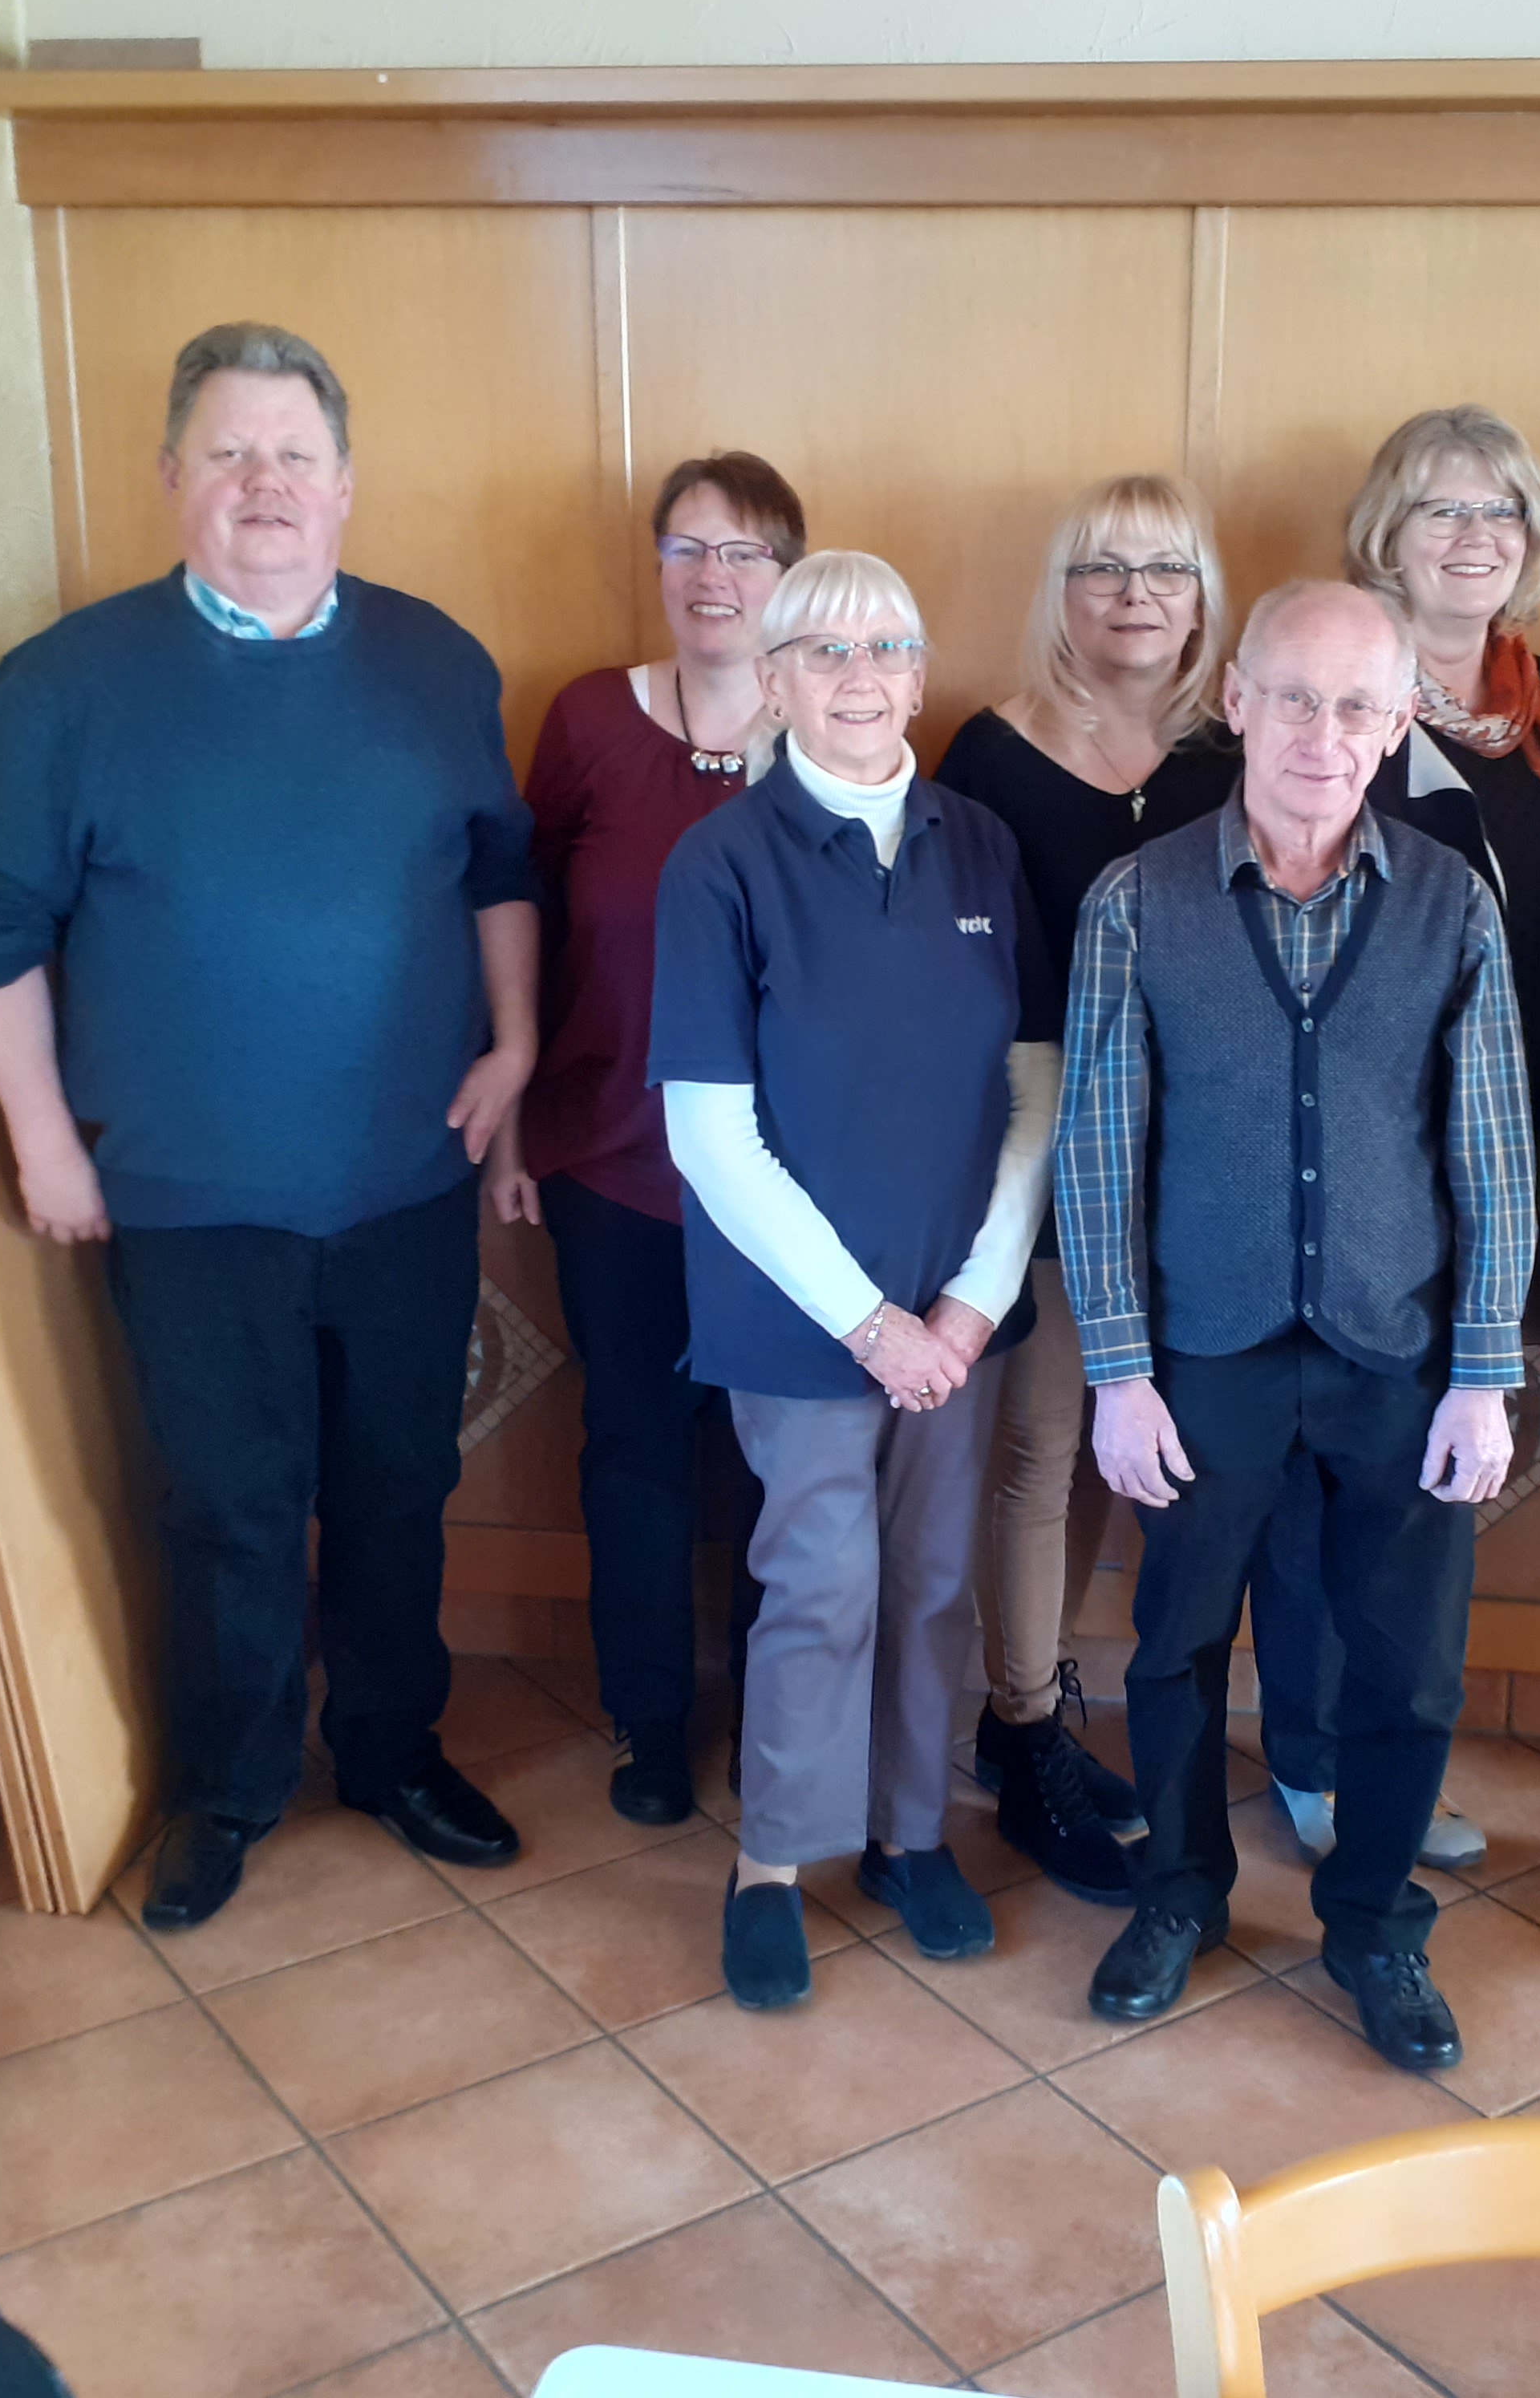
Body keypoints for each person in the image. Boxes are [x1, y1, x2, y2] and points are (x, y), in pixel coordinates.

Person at [0, 322, 541, 1932]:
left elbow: (499, 869)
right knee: (227, 1503)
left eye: (293, 455)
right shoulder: (67, 686)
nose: (263, 484)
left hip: (405, 1178)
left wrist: (520, 1046)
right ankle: (228, 1786)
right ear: (172, 479)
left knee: (403, 1478)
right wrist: (43, 1142)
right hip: (188, 1200)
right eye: (229, 453)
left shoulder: (438, 662)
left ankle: (394, 1749)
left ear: (346, 485)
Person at [1059, 579, 1529, 2075]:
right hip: (1207, 1353)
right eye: (1296, 697)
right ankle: (1182, 1894)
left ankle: (1377, 1925)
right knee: (1177, 1646)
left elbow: (1494, 1152)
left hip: (1401, 1358)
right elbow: (1095, 1145)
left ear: (1399, 729)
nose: (1323, 735)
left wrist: (1485, 1371)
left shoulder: (1454, 903)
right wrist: (1119, 1370)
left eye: (1358, 707)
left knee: (1409, 1668)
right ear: (1238, 702)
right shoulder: (1136, 900)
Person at [650, 550, 1062, 2011]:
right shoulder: (722, 864)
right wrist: (871, 1322)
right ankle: (774, 1862)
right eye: (822, 653)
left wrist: (963, 1304)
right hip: (802, 1322)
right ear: (772, 681)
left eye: (887, 647)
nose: (859, 676)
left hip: (962, 1317)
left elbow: (1035, 1089)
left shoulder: (978, 843)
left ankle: (909, 1838)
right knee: (820, 1583)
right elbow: (708, 1129)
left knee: (938, 1580)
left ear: (920, 670)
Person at [1249, 405, 1540, 1877]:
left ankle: (1389, 1757)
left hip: (1532, 1141)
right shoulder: (1332, 695)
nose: (1473, 536)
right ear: (1385, 535)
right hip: (1355, 1155)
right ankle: (1310, 1759)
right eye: (1439, 509)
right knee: (1316, 1469)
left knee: (1435, 1470)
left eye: (1500, 510)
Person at [932, 473, 1241, 1901]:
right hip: (1046, 1145)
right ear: (1061, 592)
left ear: (1203, 596)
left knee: (1127, 1436)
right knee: (1044, 1441)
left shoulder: (1230, 752)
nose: (1135, 593)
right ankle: (1024, 1731)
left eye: (1166, 569)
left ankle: (1040, 1687)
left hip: (1197, 1155)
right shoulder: (986, 755)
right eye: (1104, 568)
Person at [493, 452, 804, 1827]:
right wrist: (512, 1115)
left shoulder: (834, 726)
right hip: (612, 1158)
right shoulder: (587, 722)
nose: (713, 577)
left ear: (787, 577)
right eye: (687, 549)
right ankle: (648, 1724)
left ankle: (764, 1707)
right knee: (629, 1447)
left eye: (743, 552)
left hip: (790, 1187)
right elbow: (526, 916)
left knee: (768, 1460)